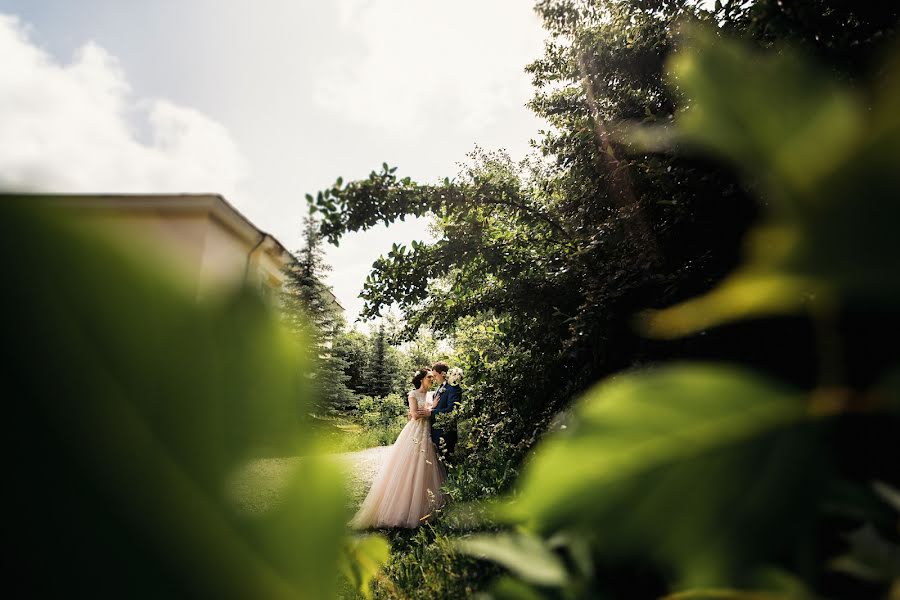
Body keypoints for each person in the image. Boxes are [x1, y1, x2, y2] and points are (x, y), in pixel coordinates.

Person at [349, 368, 446, 529]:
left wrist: (430, 410)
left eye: (432, 377)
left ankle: (425, 508)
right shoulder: (413, 394)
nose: (432, 379)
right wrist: (429, 410)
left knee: (426, 468)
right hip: (415, 432)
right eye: (429, 377)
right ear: (421, 379)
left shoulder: (431, 395)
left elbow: (429, 413)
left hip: (428, 432)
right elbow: (414, 415)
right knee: (409, 467)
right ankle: (402, 511)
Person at [422, 362, 462, 460]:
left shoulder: (453, 388)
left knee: (446, 466)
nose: (433, 378)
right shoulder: (439, 388)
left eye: (435, 375)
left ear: (443, 374)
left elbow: (451, 411)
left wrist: (431, 412)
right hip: (435, 432)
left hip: (446, 433)